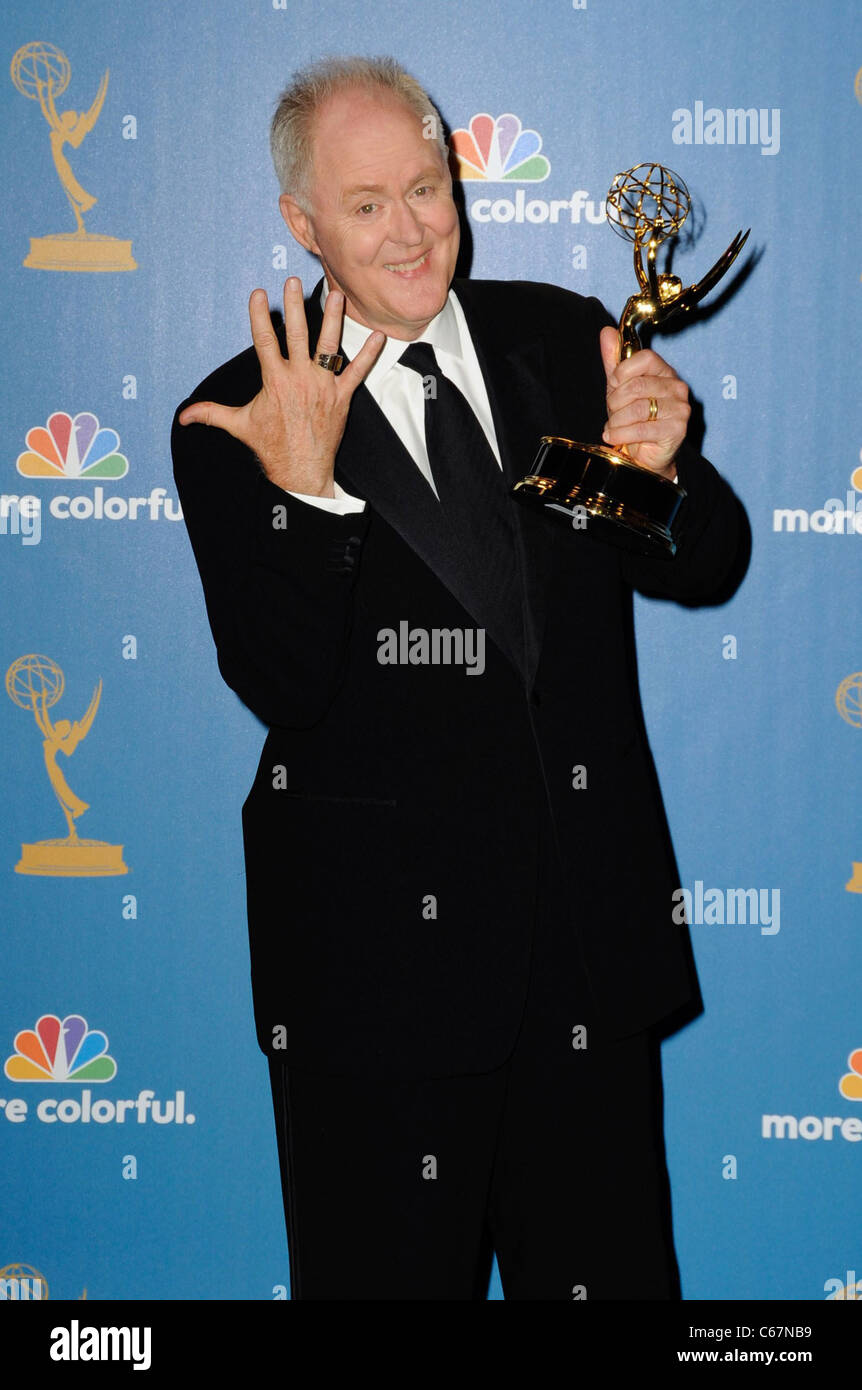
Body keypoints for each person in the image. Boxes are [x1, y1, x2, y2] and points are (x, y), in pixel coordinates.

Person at [171, 56, 744, 1300]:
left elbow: (710, 563)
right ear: (302, 225)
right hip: (377, 1006)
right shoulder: (236, 416)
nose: (410, 229)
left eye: (425, 187)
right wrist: (311, 492)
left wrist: (664, 478)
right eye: (366, 203)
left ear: (457, 181)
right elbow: (280, 681)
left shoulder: (558, 339)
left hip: (580, 971)